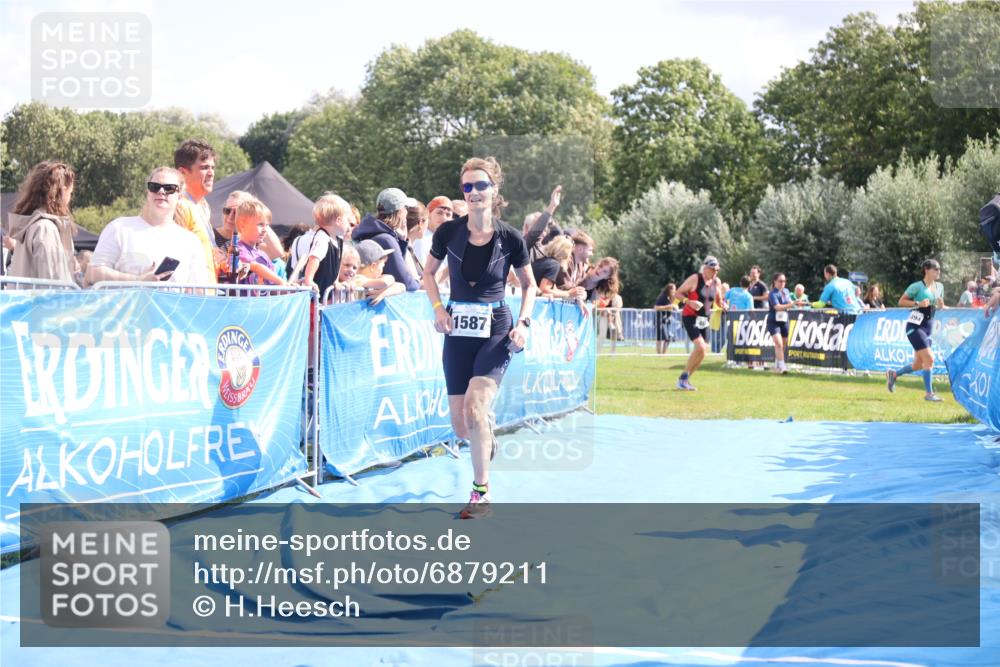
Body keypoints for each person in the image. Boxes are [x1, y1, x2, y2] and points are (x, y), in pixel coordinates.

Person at [422, 157, 535, 519]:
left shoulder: (510, 237)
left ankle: (480, 492)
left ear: (494, 190)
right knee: (462, 424)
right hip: (457, 329)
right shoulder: (447, 233)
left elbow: (530, 285)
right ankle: (486, 431)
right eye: (467, 187)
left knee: (475, 407)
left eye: (480, 185)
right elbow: (428, 274)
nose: (473, 192)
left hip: (497, 328)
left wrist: (524, 323)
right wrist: (439, 309)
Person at [87, 167, 210, 285]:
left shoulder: (191, 241)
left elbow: (198, 291)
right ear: (148, 192)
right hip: (129, 306)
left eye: (169, 188)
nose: (161, 192)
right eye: (154, 187)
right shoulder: (119, 228)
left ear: (180, 196)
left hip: (172, 307)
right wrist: (137, 280)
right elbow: (93, 273)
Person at [6, 161, 77, 283]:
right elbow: (52, 285)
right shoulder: (45, 228)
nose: (70, 198)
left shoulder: (31, 226)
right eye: (70, 193)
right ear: (62, 190)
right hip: (42, 301)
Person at [886, 259, 946, 402]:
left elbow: (940, 306)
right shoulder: (917, 287)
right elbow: (901, 301)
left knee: (918, 364)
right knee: (930, 358)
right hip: (915, 327)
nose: (938, 272)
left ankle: (893, 374)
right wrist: (917, 303)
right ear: (926, 269)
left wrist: (942, 305)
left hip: (928, 329)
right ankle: (929, 394)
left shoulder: (940, 287)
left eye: (939, 269)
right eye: (935, 269)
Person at [352, 188, 421, 291]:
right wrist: (417, 282)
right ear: (399, 212)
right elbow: (409, 284)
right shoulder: (386, 240)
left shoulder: (371, 234)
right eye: (405, 208)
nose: (407, 212)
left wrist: (402, 242)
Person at [675, 256, 724, 390]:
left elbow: (718, 300)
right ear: (706, 268)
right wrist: (688, 302)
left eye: (717, 270)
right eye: (713, 269)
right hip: (690, 316)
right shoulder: (695, 278)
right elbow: (677, 293)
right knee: (701, 347)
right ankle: (682, 379)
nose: (715, 272)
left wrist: (723, 305)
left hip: (704, 320)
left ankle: (685, 379)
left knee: (702, 352)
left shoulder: (717, 282)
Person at [173, 140, 219, 282]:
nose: (211, 173)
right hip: (190, 298)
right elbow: (175, 255)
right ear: (182, 173)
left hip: (207, 294)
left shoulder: (203, 206)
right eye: (204, 167)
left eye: (212, 167)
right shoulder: (180, 206)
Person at [294, 193, 350, 302]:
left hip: (325, 293)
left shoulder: (338, 239)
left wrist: (336, 281)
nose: (348, 224)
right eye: (347, 220)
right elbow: (314, 258)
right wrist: (309, 280)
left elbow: (336, 263)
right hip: (316, 294)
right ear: (338, 220)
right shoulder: (323, 238)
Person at [223, 198, 285, 292]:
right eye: (260, 224)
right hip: (243, 304)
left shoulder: (263, 255)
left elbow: (273, 286)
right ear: (242, 225)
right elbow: (255, 267)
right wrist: (280, 281)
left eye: (267, 225)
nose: (265, 230)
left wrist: (293, 285)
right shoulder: (238, 250)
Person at [353, 239, 405, 304]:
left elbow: (402, 286)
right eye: (382, 266)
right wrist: (388, 281)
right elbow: (385, 282)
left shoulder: (374, 281)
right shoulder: (358, 279)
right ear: (373, 266)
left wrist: (384, 293)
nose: (382, 271)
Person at [523, 185, 564, 263]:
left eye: (545, 230)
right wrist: (552, 206)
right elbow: (535, 233)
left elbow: (559, 235)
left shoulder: (544, 247)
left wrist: (550, 222)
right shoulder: (523, 244)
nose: (543, 232)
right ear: (526, 228)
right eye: (541, 228)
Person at [767, 272, 795, 374]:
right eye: (780, 281)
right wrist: (791, 305)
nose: (783, 283)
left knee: (783, 344)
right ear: (775, 281)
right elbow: (777, 307)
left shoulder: (786, 291)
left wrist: (796, 303)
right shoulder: (772, 294)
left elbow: (791, 301)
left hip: (784, 321)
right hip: (773, 321)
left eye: (784, 281)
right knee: (778, 343)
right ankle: (783, 367)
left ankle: (777, 363)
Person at [654, 283, 678, 354]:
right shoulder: (663, 297)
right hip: (660, 320)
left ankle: (663, 354)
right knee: (661, 338)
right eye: (674, 290)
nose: (675, 291)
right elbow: (656, 307)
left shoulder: (671, 298)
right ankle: (659, 354)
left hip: (667, 320)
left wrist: (675, 306)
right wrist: (668, 306)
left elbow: (675, 306)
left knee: (667, 338)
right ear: (669, 290)